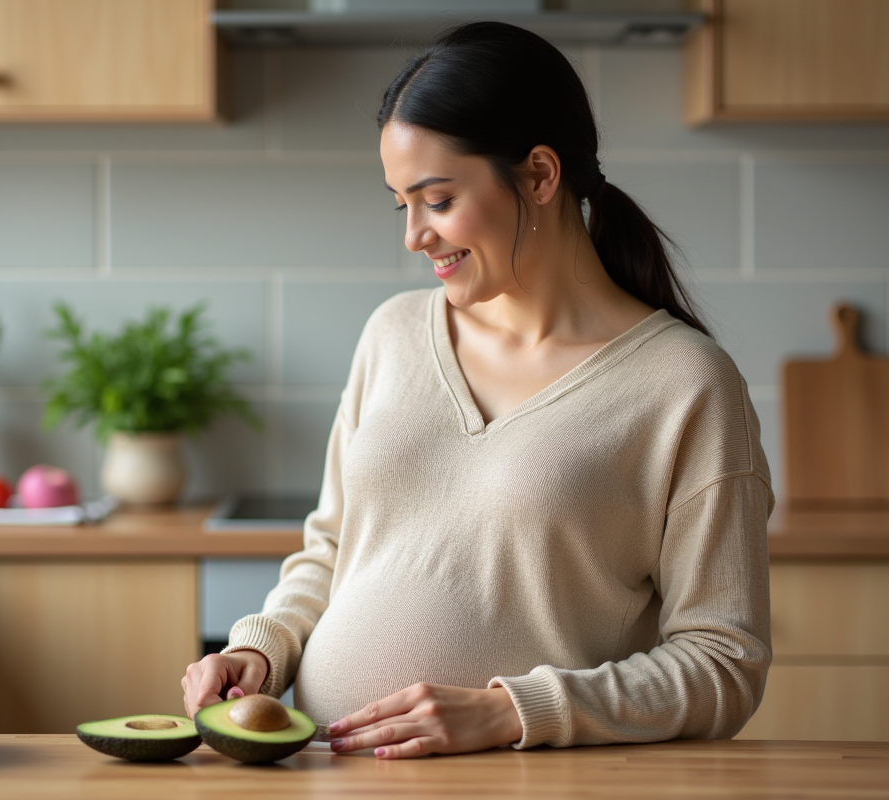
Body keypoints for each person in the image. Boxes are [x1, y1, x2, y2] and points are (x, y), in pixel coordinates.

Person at [182, 21, 773, 760]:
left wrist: (510, 712)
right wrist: (262, 651)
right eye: (401, 204)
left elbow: (724, 663)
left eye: (437, 199)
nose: (413, 236)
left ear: (539, 175)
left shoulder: (685, 384)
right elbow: (333, 551)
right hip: (327, 774)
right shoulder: (393, 334)